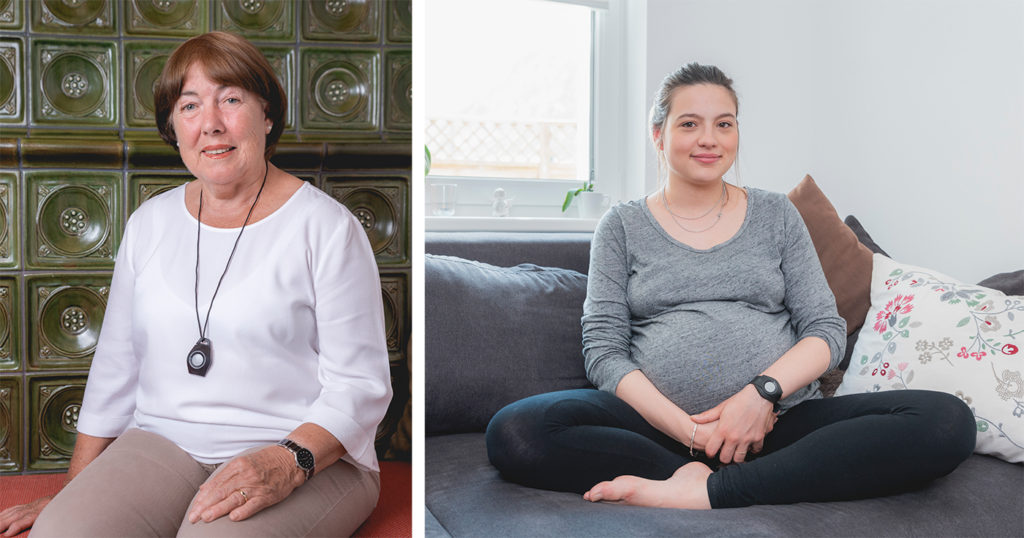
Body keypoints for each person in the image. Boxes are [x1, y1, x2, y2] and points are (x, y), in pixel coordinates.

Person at [485, 63, 976, 509]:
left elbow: (824, 329)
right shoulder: (621, 226)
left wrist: (760, 396)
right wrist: (693, 433)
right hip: (656, 431)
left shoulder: (777, 214)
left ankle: (706, 493)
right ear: (658, 135)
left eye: (724, 123)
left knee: (947, 421)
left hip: (779, 424)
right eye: (689, 123)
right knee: (516, 431)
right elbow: (603, 351)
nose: (709, 139)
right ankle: (689, 474)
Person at [0, 32, 392, 537]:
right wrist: (74, 493)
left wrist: (287, 460)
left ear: (266, 115)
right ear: (174, 127)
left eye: (231, 99)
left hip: (305, 453)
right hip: (164, 444)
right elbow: (116, 368)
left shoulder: (328, 229)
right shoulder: (150, 223)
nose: (211, 123)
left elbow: (360, 386)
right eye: (190, 105)